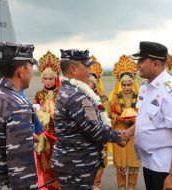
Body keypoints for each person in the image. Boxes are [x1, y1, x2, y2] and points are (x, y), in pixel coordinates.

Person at [52, 49, 128, 190]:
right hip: (77, 165)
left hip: (74, 163)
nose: (89, 71)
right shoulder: (76, 96)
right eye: (86, 67)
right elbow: (95, 129)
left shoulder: (69, 90)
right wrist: (118, 136)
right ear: (73, 69)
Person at [126, 41, 172, 190]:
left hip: (165, 166)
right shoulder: (145, 87)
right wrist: (128, 133)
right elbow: (145, 119)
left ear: (155, 64)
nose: (137, 65)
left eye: (141, 61)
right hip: (149, 162)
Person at [0, 42, 38, 189]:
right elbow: (21, 171)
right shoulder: (17, 104)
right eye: (31, 67)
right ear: (21, 71)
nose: (32, 73)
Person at [109, 54, 141, 190]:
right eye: (124, 84)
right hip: (120, 131)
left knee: (134, 163)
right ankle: (121, 188)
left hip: (134, 132)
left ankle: (131, 188)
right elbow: (111, 114)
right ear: (120, 84)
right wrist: (118, 118)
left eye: (129, 84)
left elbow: (143, 112)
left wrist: (135, 118)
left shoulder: (139, 96)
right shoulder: (115, 97)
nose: (127, 87)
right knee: (121, 164)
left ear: (133, 83)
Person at [34, 51, 61, 190]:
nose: (48, 81)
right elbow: (35, 114)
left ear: (55, 79)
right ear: (42, 79)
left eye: (51, 79)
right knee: (45, 164)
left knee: (57, 164)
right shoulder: (38, 95)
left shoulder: (61, 94)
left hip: (58, 135)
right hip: (44, 135)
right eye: (46, 79)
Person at [88, 55, 110, 190]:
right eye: (87, 81)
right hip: (86, 136)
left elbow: (107, 117)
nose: (89, 84)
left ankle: (97, 184)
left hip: (101, 134)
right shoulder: (80, 97)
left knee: (100, 160)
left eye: (92, 82)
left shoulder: (103, 98)